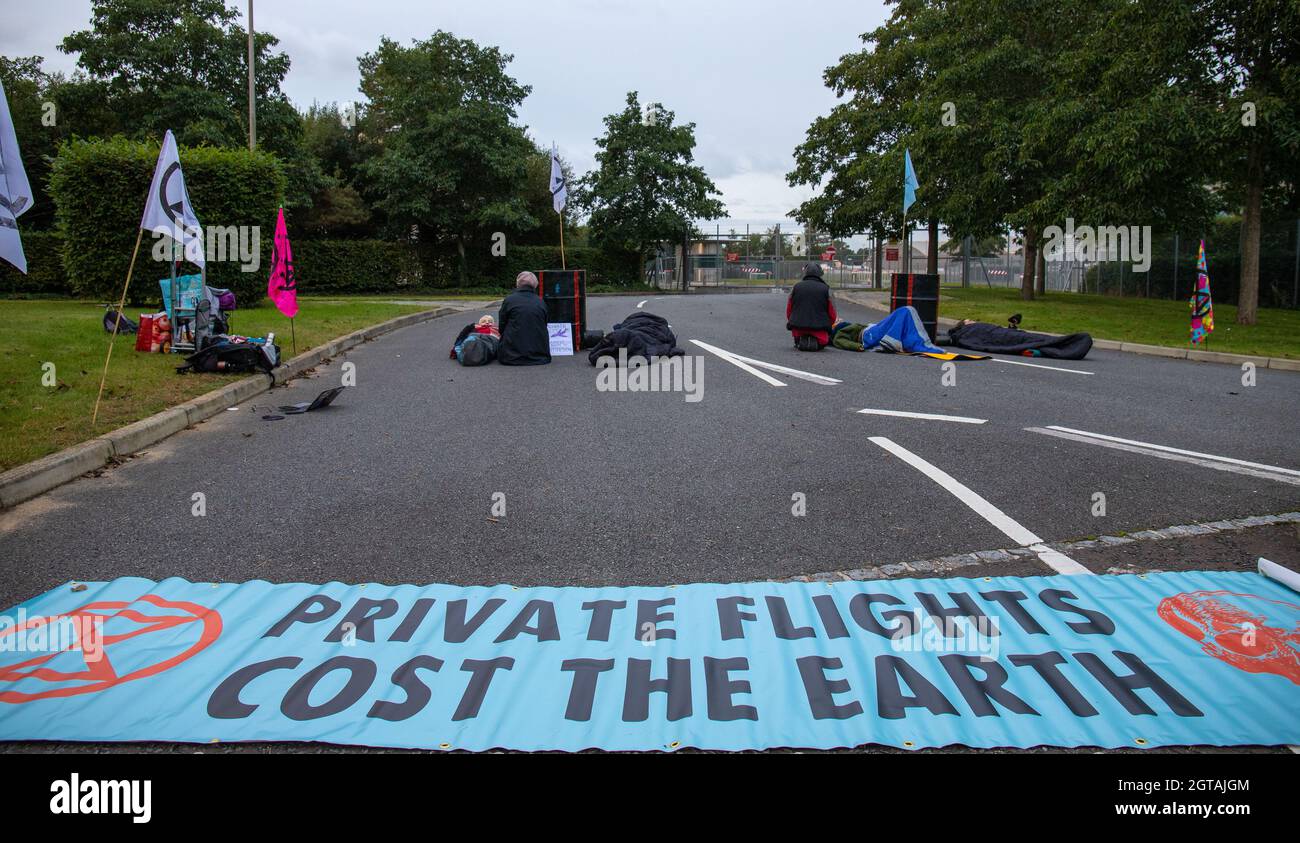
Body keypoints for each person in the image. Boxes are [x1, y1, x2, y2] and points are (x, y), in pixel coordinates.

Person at [498, 272, 551, 366]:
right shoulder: (540, 301)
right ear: (535, 285)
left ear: (518, 284)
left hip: (511, 355)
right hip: (539, 354)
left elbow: (502, 326)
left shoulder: (509, 300)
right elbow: (545, 324)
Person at [786, 263, 837, 351]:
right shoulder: (826, 289)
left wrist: (793, 321)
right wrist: (829, 324)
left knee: (799, 335)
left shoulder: (796, 287)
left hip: (798, 329)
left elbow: (789, 311)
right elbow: (832, 314)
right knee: (824, 340)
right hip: (820, 329)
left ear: (805, 273)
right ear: (820, 274)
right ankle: (817, 341)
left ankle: (799, 340)